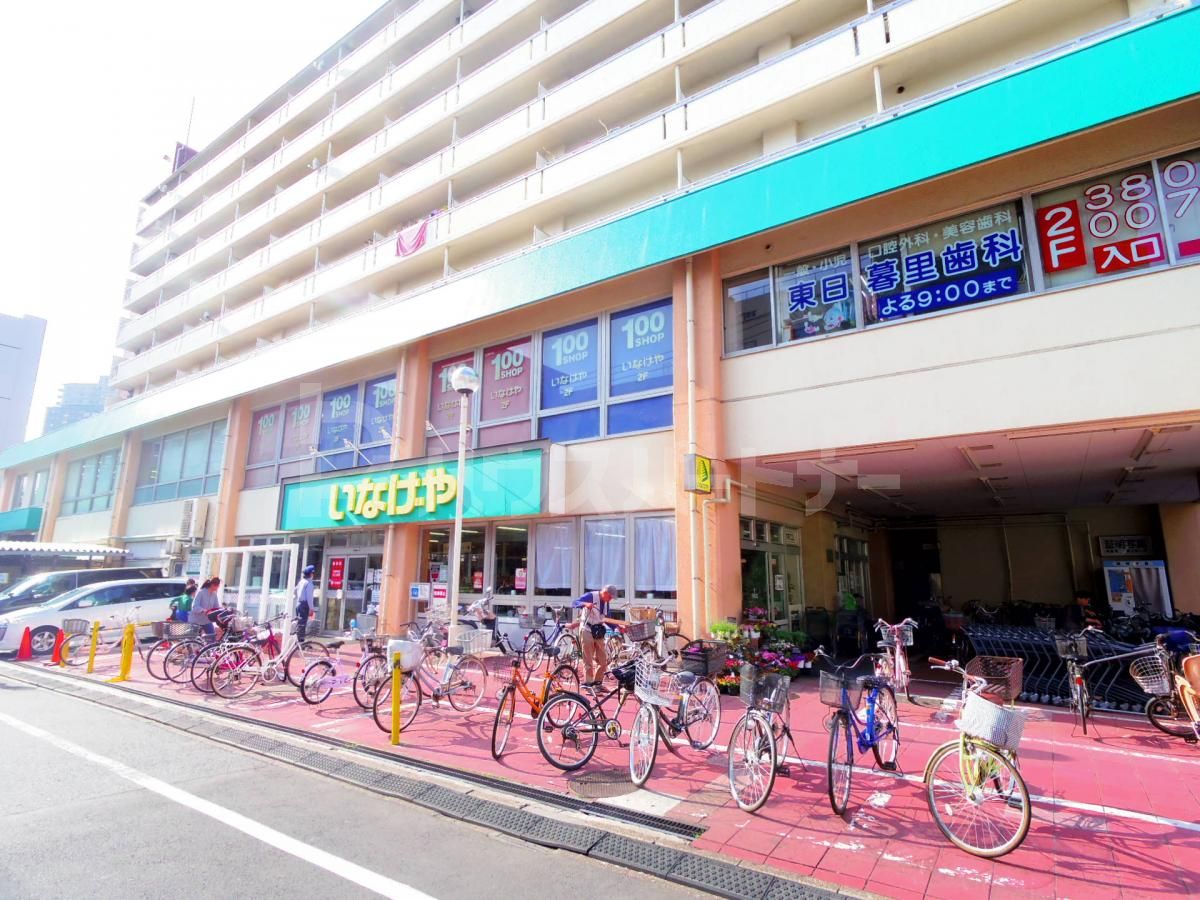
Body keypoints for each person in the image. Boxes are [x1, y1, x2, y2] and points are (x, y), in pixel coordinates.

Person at [573, 584, 620, 686]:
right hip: (587, 629)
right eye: (610, 597)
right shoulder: (591, 595)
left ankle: (597, 683)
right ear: (605, 593)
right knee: (588, 659)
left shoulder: (606, 602)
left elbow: (606, 618)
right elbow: (575, 602)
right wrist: (585, 604)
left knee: (603, 660)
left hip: (598, 631)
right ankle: (588, 683)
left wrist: (617, 627)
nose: (610, 599)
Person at [294, 565, 317, 640]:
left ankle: (297, 640)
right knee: (302, 624)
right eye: (313, 573)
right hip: (304, 605)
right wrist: (311, 608)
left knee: (299, 623)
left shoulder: (301, 582)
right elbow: (309, 597)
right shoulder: (309, 583)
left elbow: (295, 591)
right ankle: (301, 641)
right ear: (311, 574)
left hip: (298, 604)